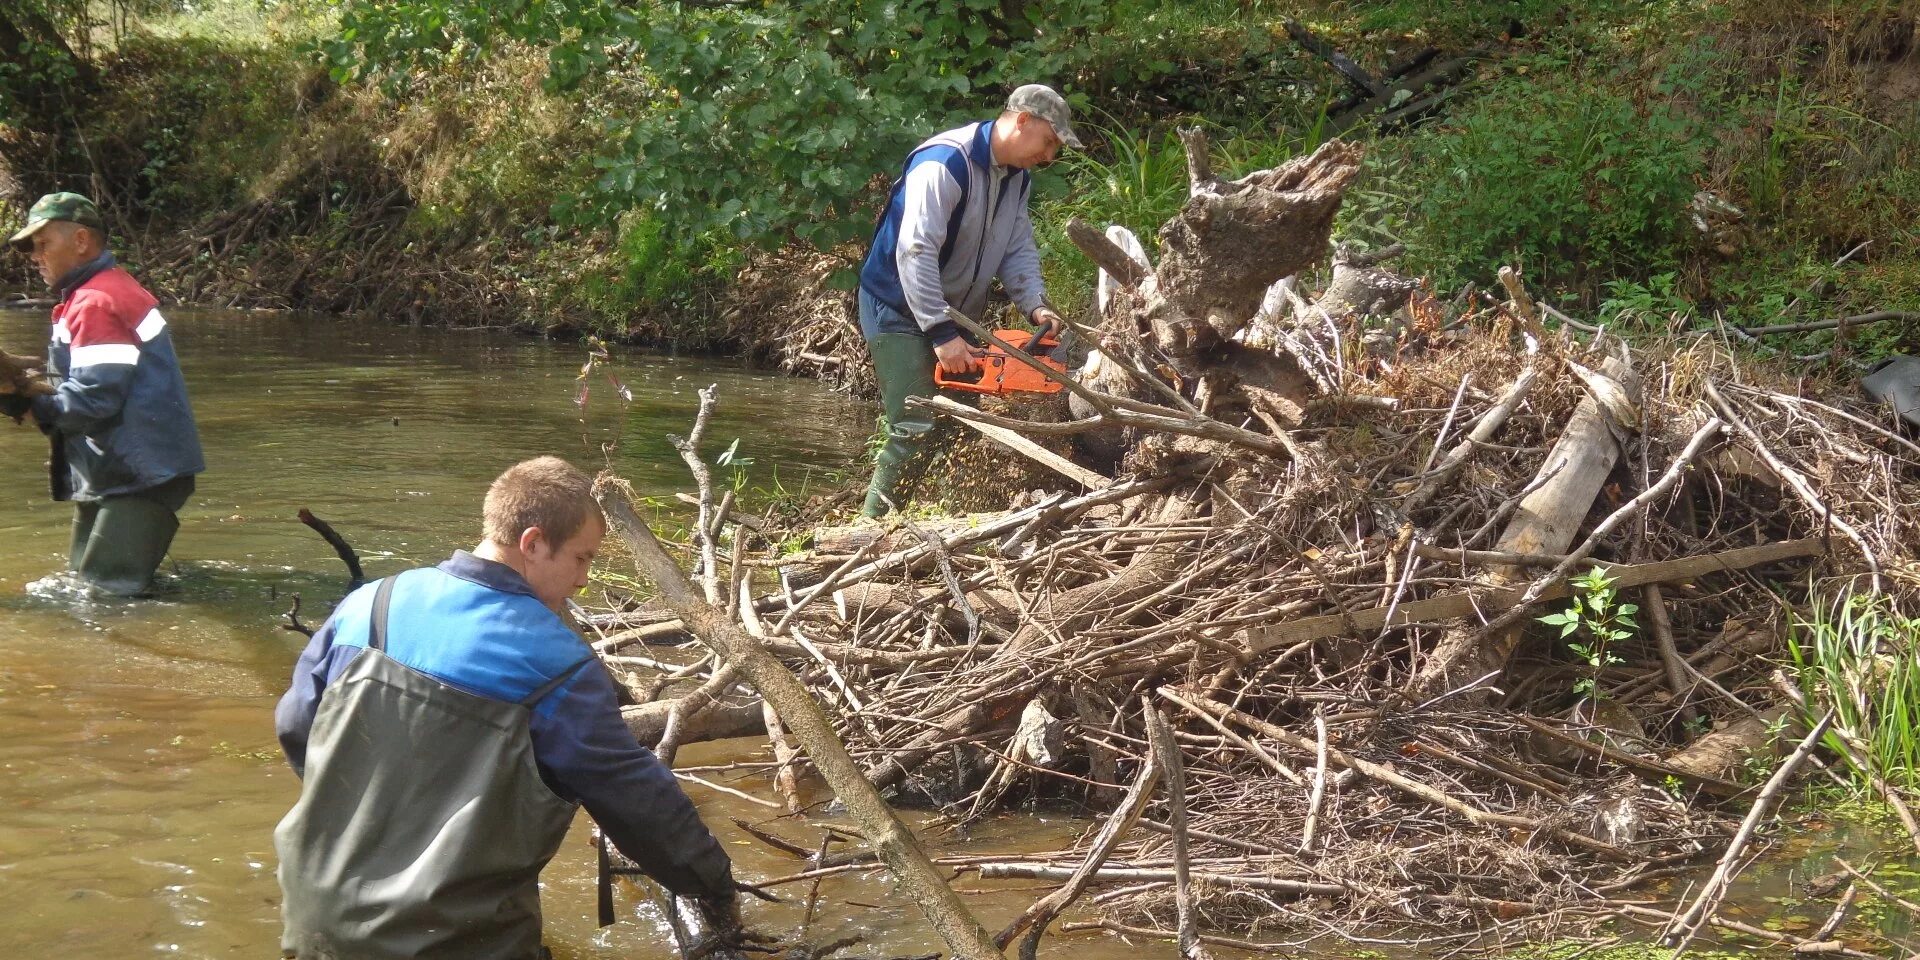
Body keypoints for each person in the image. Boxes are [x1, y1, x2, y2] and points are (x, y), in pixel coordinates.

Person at [273, 456, 737, 960]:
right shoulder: (558, 664)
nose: (583, 580)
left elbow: (297, 729)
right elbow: (634, 799)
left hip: (312, 917)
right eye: (581, 559)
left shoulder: (371, 602)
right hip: (453, 944)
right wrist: (714, 884)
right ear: (533, 543)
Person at [855, 83, 1082, 517]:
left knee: (960, 423)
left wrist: (1035, 302)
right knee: (917, 423)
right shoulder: (943, 164)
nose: (1050, 155)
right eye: (1050, 141)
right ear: (1022, 121)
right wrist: (942, 334)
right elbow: (914, 251)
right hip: (897, 305)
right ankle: (869, 530)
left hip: (955, 311)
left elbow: (1017, 246)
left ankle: (935, 523)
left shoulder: (1016, 178)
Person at [4, 191, 205, 595]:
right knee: (83, 583)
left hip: (138, 474)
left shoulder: (96, 301)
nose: (34, 257)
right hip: (121, 470)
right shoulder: (97, 293)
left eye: (43, 244)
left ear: (81, 241)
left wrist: (26, 403)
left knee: (105, 596)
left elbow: (94, 398)